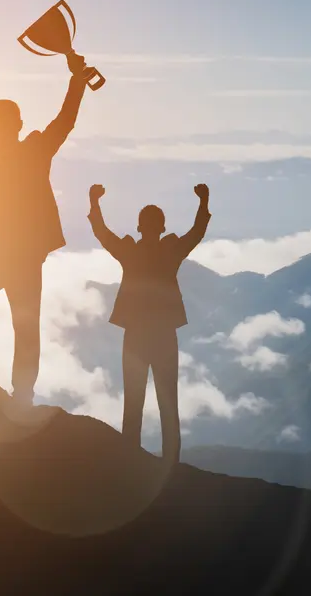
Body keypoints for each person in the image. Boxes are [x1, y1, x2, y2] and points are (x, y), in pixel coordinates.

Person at [0, 53, 96, 404]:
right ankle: (21, 394)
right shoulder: (29, 154)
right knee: (23, 324)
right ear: (18, 123)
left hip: (4, 258)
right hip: (21, 258)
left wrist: (77, 83)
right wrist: (76, 82)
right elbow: (64, 122)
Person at [87, 183, 211, 464]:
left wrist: (94, 204)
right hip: (165, 334)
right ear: (162, 227)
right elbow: (197, 233)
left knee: (133, 404)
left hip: (135, 336)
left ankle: (130, 462)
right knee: (169, 404)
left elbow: (103, 234)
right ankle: (171, 466)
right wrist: (203, 202)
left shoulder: (130, 252)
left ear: (140, 227)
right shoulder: (171, 251)